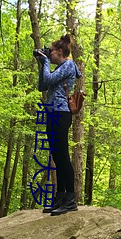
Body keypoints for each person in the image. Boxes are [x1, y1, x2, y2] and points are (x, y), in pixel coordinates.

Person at [36, 34, 82, 216]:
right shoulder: (59, 69)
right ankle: (61, 197)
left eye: (51, 51)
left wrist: (45, 62)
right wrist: (43, 64)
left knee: (62, 157)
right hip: (53, 113)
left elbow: (47, 81)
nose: (49, 54)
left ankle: (70, 200)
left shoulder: (69, 65)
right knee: (57, 157)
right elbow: (42, 85)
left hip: (61, 114)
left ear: (60, 52)